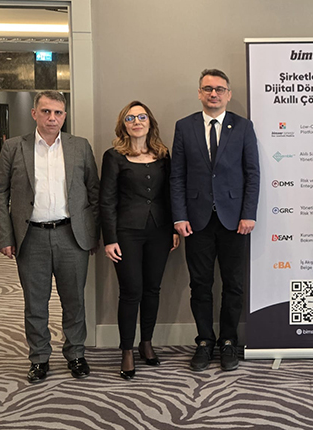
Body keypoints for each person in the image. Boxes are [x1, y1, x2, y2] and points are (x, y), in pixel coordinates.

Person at [0, 91, 99, 383]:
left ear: (65, 115)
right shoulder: (14, 147)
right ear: (34, 113)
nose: (52, 118)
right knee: (35, 303)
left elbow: (94, 192)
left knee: (74, 301)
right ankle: (39, 358)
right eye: (46, 111)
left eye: (58, 112)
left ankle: (76, 354)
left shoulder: (79, 146)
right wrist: (4, 236)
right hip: (31, 237)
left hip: (72, 236)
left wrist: (92, 235)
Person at [171, 69, 260, 372]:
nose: (214, 94)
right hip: (196, 221)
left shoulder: (243, 127)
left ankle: (229, 341)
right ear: (199, 93)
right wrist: (179, 216)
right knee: (200, 284)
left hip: (235, 220)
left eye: (220, 89)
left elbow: (252, 173)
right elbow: (177, 176)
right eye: (208, 88)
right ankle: (205, 341)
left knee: (233, 284)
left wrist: (249, 213)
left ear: (228, 94)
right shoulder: (184, 127)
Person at [100, 101, 180, 379]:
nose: (137, 122)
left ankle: (146, 342)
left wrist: (173, 228)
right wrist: (109, 238)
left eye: (142, 117)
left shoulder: (163, 154)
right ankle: (126, 350)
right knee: (131, 291)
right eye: (130, 118)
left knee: (152, 289)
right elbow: (107, 200)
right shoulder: (113, 156)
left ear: (150, 122)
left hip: (159, 231)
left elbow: (170, 194)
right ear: (123, 124)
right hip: (126, 233)